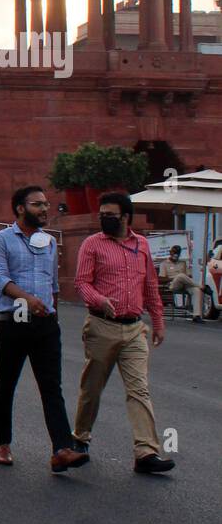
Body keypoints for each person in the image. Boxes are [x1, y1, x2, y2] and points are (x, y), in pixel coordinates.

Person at [72, 192, 173, 474]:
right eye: (101, 214)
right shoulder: (92, 244)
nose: (104, 218)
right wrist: (98, 299)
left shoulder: (141, 245)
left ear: (125, 217)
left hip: (134, 329)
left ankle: (145, 452)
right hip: (101, 324)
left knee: (139, 389)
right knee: (92, 388)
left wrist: (159, 321)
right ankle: (80, 438)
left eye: (110, 214)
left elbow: (150, 285)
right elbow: (81, 283)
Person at [0, 185, 85, 472]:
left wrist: (51, 313)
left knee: (52, 387)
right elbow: (0, 280)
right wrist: (28, 300)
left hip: (45, 324)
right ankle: (3, 443)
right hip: (12, 321)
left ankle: (62, 449)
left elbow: (52, 284)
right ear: (20, 208)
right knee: (6, 384)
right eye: (38, 204)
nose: (45, 209)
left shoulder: (49, 243)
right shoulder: (0, 240)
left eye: (46, 204)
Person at [156, 244, 203, 323]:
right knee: (180, 276)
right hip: (173, 284)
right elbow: (161, 279)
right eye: (174, 252)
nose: (176, 255)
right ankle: (202, 286)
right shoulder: (164, 263)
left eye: (177, 253)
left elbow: (187, 276)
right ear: (170, 252)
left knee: (196, 290)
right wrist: (174, 278)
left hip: (185, 284)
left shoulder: (183, 263)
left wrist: (186, 277)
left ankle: (196, 316)